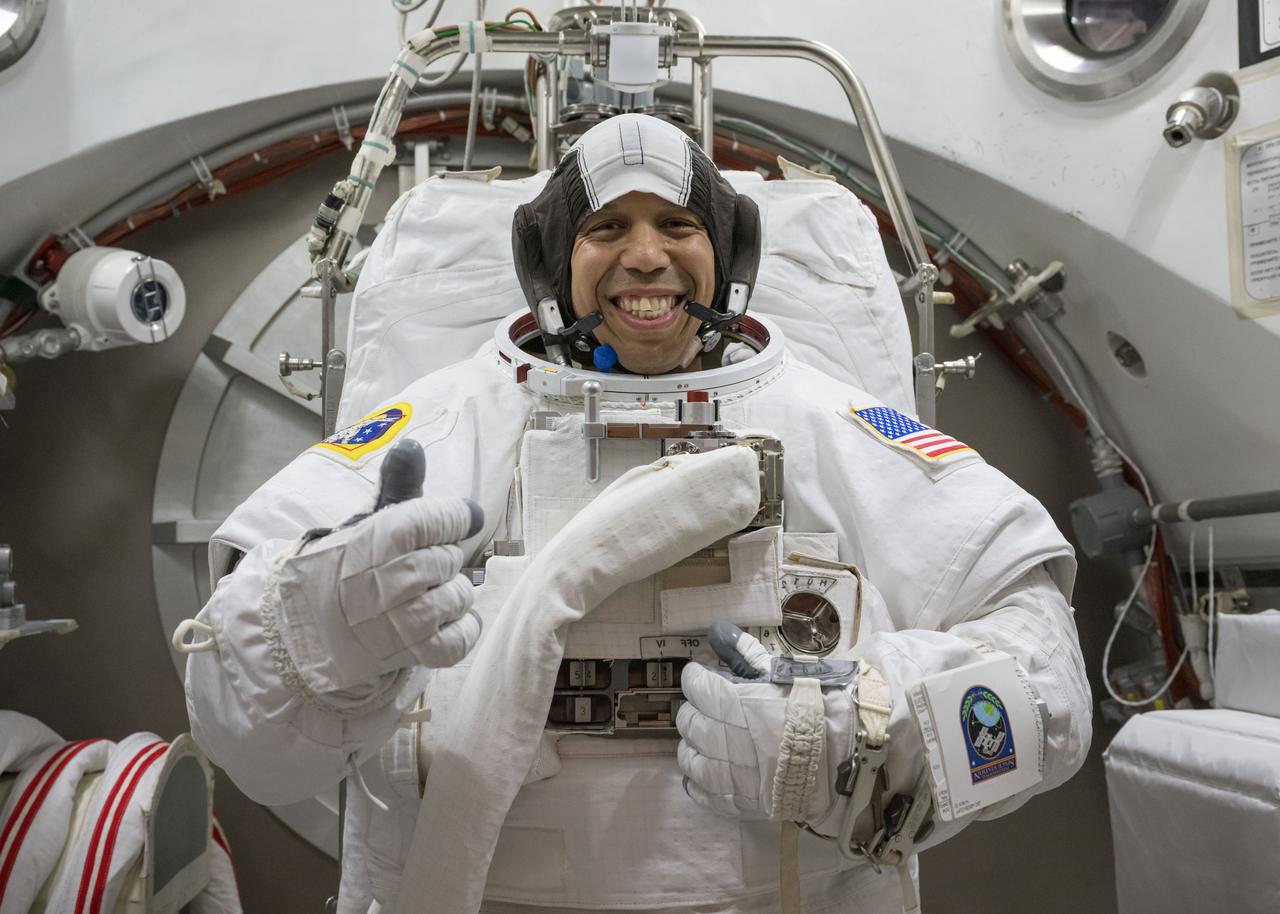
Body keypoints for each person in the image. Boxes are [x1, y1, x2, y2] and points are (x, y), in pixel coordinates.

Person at [183, 114, 1091, 914]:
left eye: (677, 225)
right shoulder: (445, 423)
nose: (647, 256)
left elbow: (1049, 685)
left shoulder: (834, 425)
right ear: (551, 262)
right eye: (606, 228)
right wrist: (317, 628)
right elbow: (242, 736)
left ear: (726, 254)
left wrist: (860, 740)